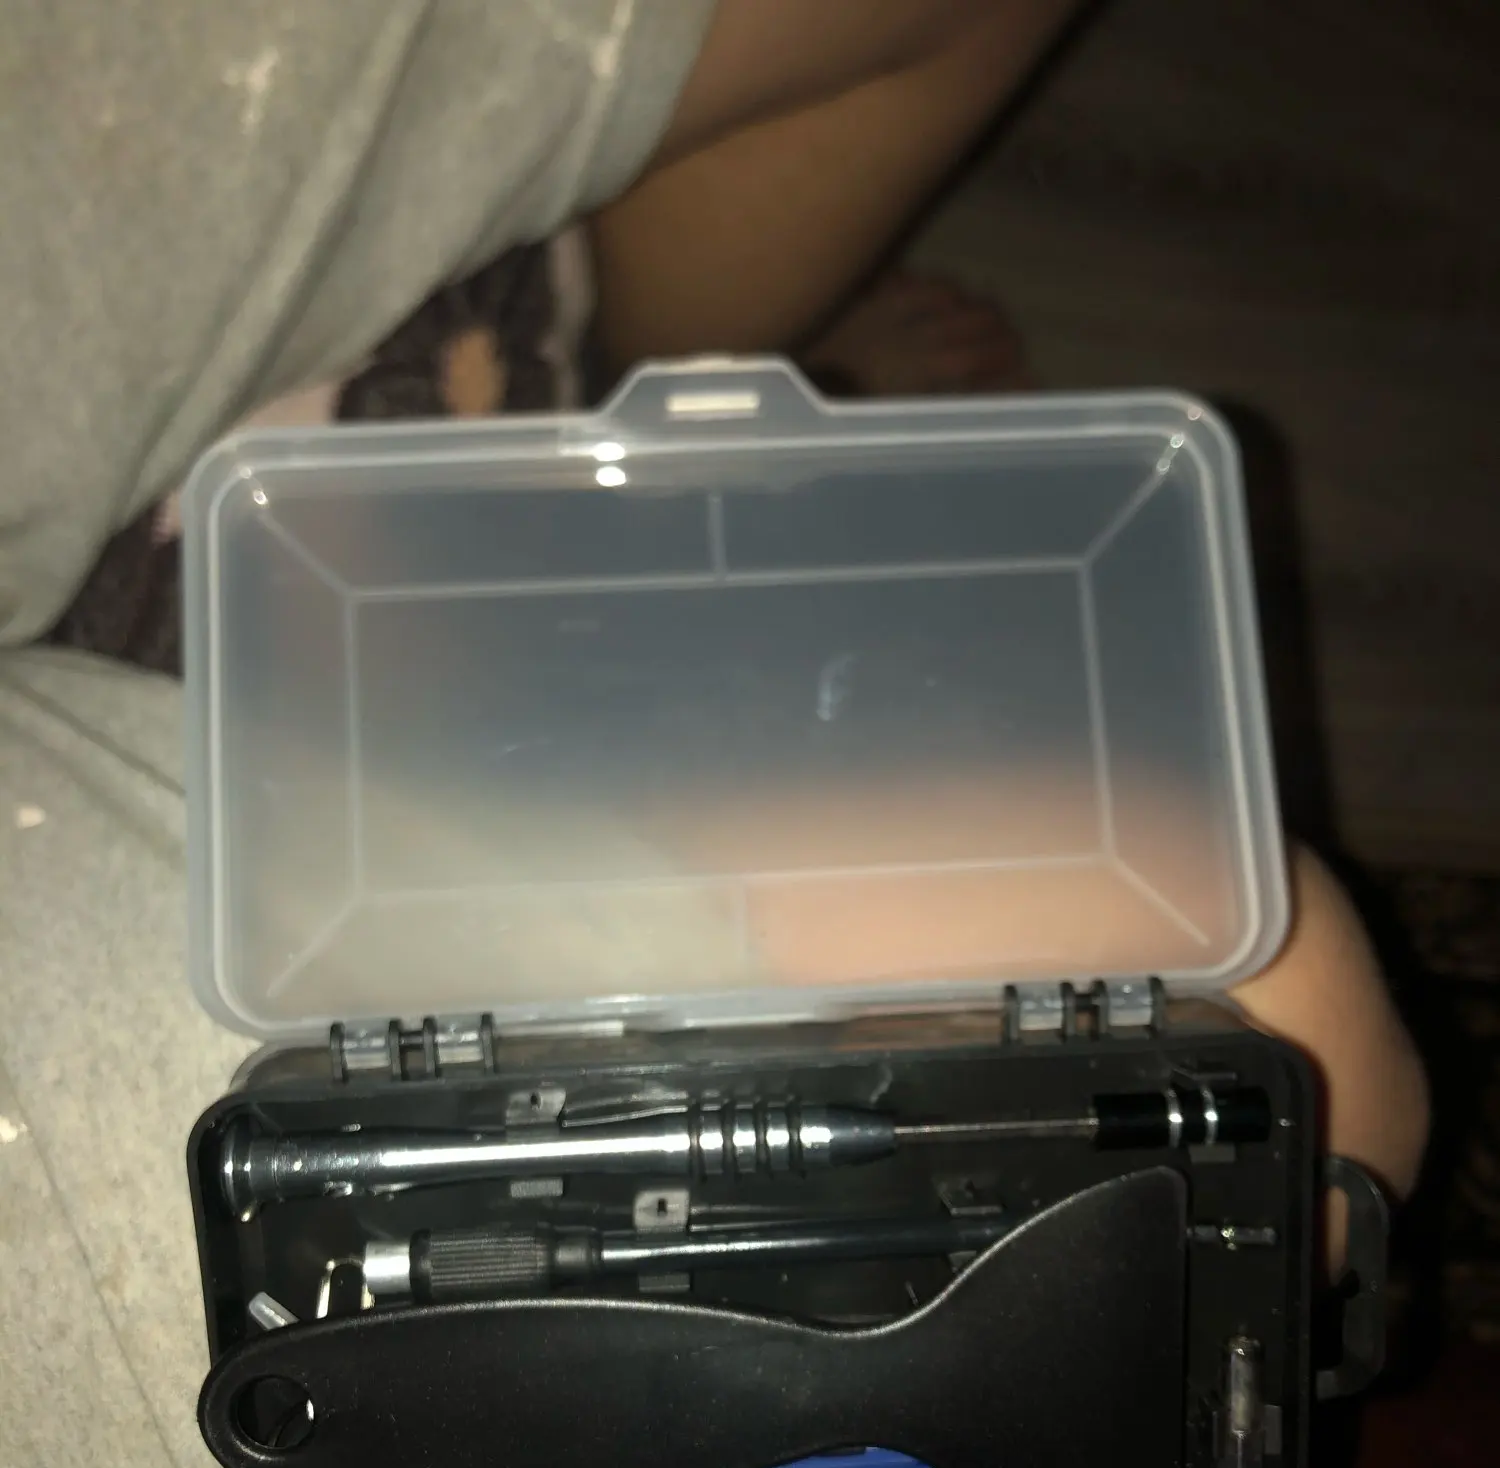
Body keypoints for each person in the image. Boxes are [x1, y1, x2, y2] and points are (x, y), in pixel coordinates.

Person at [1, 0, 1428, 1216]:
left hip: (360, 517)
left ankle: (713, 400)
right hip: (514, 404)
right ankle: (715, 392)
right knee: (1288, 1029)